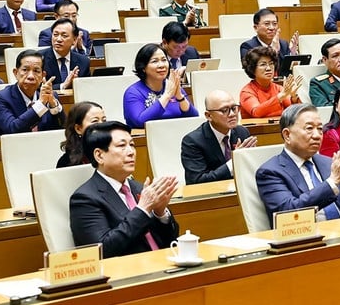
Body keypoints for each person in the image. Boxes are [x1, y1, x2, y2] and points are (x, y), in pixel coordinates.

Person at [69, 121, 180, 258]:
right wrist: (143, 209)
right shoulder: (85, 199)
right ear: (99, 155)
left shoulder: (139, 188)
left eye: (132, 145)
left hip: (164, 263)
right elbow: (102, 250)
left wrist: (160, 213)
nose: (131, 152)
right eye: (122, 146)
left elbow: (171, 241)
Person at [255, 103, 340, 225]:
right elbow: (287, 214)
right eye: (309, 128)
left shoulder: (328, 163)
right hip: (308, 239)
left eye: (319, 129)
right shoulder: (270, 172)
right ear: (287, 135)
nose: (317, 135)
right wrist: (332, 182)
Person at [180, 90, 256, 185]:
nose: (232, 114)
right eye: (224, 110)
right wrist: (234, 161)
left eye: (234, 108)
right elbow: (197, 181)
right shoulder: (193, 141)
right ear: (208, 116)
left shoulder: (242, 132)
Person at [0, 50, 65, 141]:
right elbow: (12, 129)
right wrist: (40, 104)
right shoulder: (0, 98)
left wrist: (54, 107)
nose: (31, 76)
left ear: (43, 76)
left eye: (36, 71)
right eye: (25, 70)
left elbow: (64, 130)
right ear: (15, 73)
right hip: (14, 150)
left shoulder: (50, 97)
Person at [123, 43, 197, 128]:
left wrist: (179, 96)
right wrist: (167, 95)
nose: (161, 65)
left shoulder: (172, 86)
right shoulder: (133, 92)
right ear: (143, 67)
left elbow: (194, 116)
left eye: (164, 60)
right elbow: (140, 122)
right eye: (155, 61)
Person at [240, 46, 303, 119]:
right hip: (257, 130)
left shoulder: (278, 88)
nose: (268, 68)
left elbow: (295, 111)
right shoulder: (247, 92)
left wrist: (294, 97)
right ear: (252, 69)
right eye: (263, 64)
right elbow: (256, 112)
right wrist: (279, 97)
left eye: (271, 64)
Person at [239, 8, 299, 75]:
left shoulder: (283, 44)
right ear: (256, 28)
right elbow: (252, 72)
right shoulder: (248, 46)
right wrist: (273, 52)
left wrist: (293, 57)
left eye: (274, 23)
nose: (272, 28)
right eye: (267, 24)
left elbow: (286, 72)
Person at [40, 18, 91, 90]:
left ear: (74, 40)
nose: (58, 39)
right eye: (55, 35)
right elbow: (36, 88)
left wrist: (76, 83)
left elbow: (86, 88)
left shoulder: (83, 62)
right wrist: (63, 85)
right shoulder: (39, 59)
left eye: (64, 36)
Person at [57, 101, 106, 168]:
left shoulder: (113, 152)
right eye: (95, 121)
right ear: (78, 129)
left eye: (104, 120)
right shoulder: (66, 162)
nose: (102, 125)